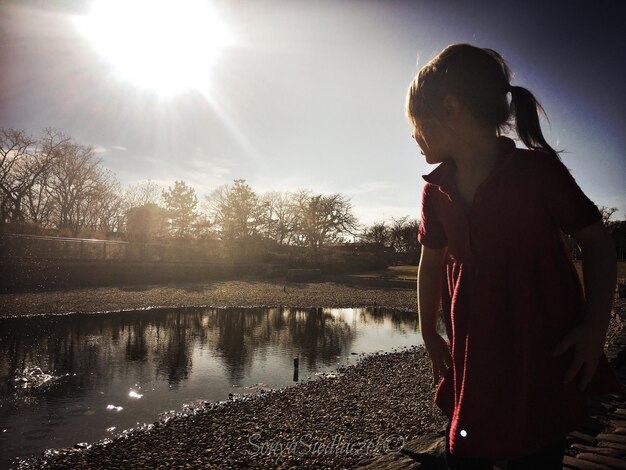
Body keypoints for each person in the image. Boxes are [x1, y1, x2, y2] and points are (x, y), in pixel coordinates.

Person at [406, 43, 623, 469]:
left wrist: (595, 327)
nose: (412, 135)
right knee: (464, 443)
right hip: (473, 349)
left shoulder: (537, 173)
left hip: (538, 349)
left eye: (415, 123)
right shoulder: (435, 188)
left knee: (537, 449)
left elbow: (598, 244)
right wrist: (430, 334)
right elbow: (430, 264)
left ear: (450, 108)